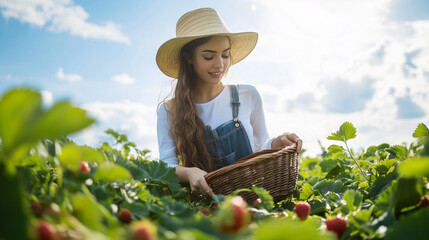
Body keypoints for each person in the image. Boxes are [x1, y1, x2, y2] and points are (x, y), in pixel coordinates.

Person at [156, 8, 302, 197]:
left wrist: (278, 141)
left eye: (225, 55)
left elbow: (260, 145)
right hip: (207, 206)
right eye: (209, 56)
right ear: (188, 57)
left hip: (255, 199)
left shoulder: (247, 95)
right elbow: (166, 166)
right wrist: (189, 172)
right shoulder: (169, 111)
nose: (220, 64)